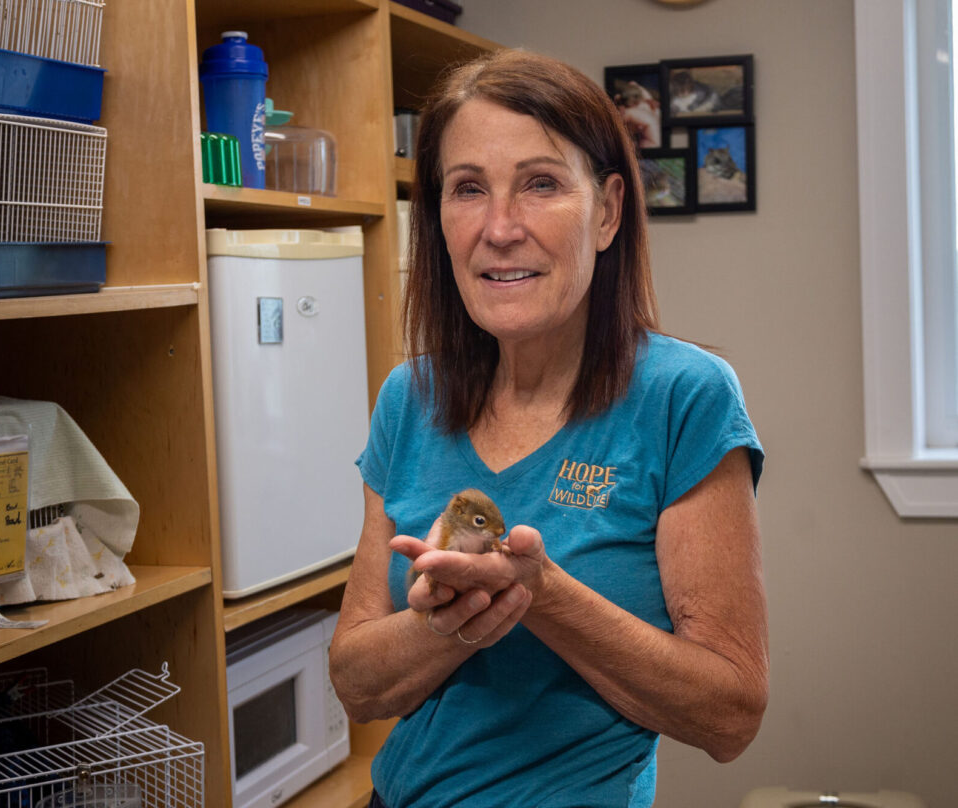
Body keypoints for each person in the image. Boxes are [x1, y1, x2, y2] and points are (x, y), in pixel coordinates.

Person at [328, 49, 768, 808]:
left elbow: (730, 715)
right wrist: (450, 621)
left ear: (606, 211)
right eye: (468, 189)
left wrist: (541, 593)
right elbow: (357, 685)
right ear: (437, 217)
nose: (500, 228)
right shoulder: (410, 397)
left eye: (540, 184)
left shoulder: (682, 398)